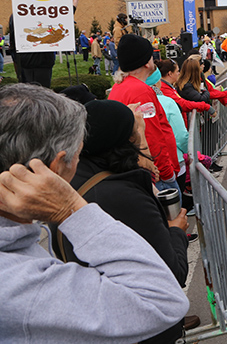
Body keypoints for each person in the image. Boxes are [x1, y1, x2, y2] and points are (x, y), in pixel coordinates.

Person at [0, 84, 189, 343]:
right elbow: (161, 301)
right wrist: (70, 209)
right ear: (54, 169)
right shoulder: (21, 286)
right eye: (79, 151)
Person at [58, 99, 194, 343]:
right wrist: (176, 231)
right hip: (141, 327)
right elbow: (173, 274)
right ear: (126, 139)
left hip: (103, 320)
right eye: (135, 130)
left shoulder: (73, 179)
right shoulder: (123, 196)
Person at [109, 34, 180, 196]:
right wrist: (167, 173)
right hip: (155, 175)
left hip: (137, 170)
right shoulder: (140, 91)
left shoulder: (119, 87)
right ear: (146, 63)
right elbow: (152, 136)